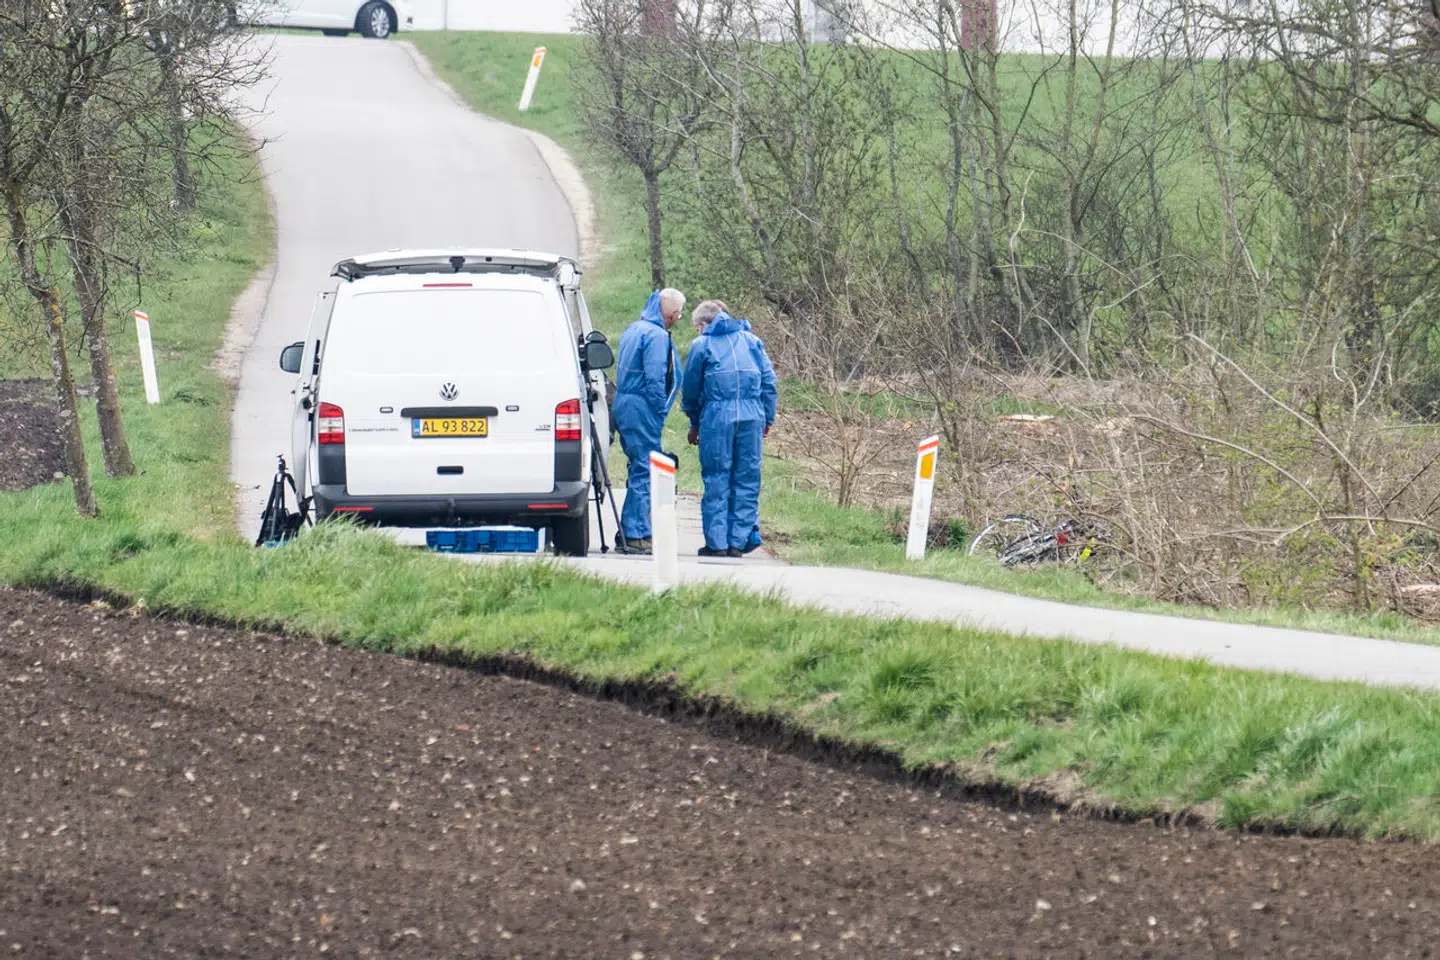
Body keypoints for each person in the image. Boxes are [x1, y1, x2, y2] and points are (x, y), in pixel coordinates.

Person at [682, 302, 776, 558]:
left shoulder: (701, 346)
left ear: (703, 325)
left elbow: (690, 388)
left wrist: (694, 421)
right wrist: (768, 418)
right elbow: (769, 382)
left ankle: (717, 543)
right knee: (747, 478)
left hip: (717, 417)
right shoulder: (752, 341)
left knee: (716, 477)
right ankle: (738, 541)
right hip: (752, 416)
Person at [612, 287, 685, 553]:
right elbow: (656, 380)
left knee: (638, 466)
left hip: (624, 403)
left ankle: (632, 530)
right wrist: (658, 410)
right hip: (642, 408)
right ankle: (634, 534)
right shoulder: (656, 337)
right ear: (673, 314)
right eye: (679, 314)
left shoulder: (634, 328)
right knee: (645, 468)